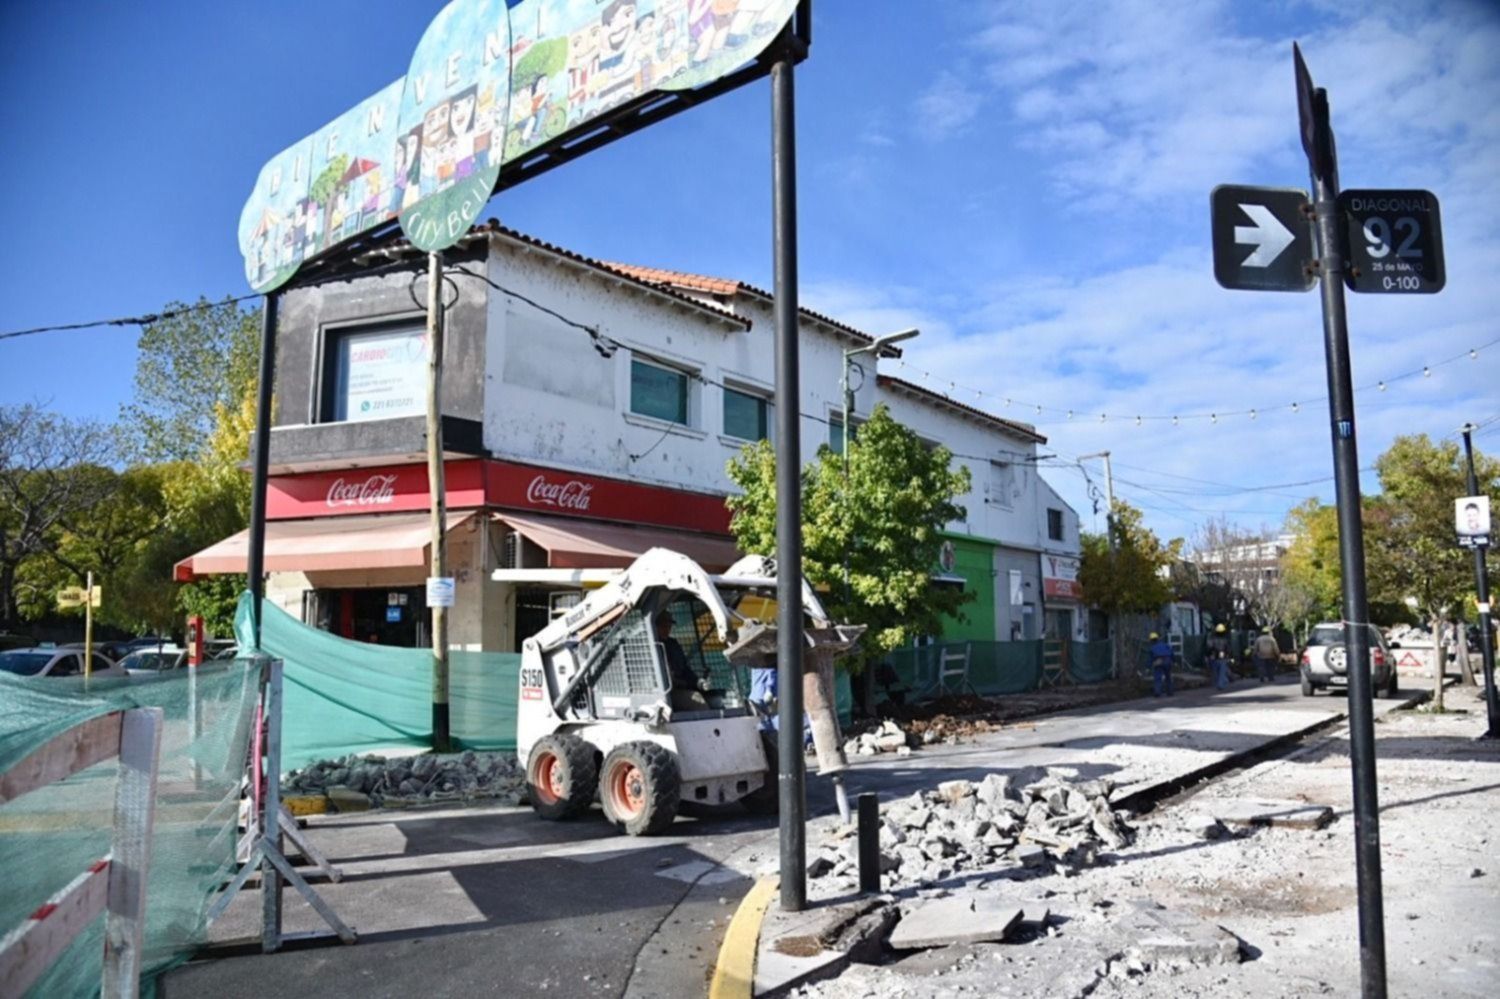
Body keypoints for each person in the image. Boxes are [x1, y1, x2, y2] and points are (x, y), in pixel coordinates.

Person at [655, 610, 705, 710]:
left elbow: (685, 668)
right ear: (655, 626)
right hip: (663, 693)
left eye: (669, 626)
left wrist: (697, 681)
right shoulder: (649, 647)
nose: (667, 630)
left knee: (715, 699)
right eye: (664, 626)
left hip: (680, 687)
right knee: (697, 700)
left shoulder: (673, 644)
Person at [1148, 632, 1175, 698]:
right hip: (1168, 660)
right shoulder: (1165, 645)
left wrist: (1148, 667)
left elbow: (1150, 659)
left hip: (1158, 660)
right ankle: (1170, 692)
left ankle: (1157, 692)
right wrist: (1173, 661)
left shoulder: (1152, 648)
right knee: (1168, 676)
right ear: (1158, 638)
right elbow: (1172, 653)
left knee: (1158, 677)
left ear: (1151, 640)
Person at [1206, 623, 1232, 690]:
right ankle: (1221, 684)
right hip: (1221, 656)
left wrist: (1208, 655)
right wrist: (1228, 656)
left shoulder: (1212, 639)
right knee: (1221, 670)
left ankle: (1220, 683)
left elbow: (1209, 648)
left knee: (1216, 671)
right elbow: (1228, 649)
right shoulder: (1225, 640)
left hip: (1215, 656)